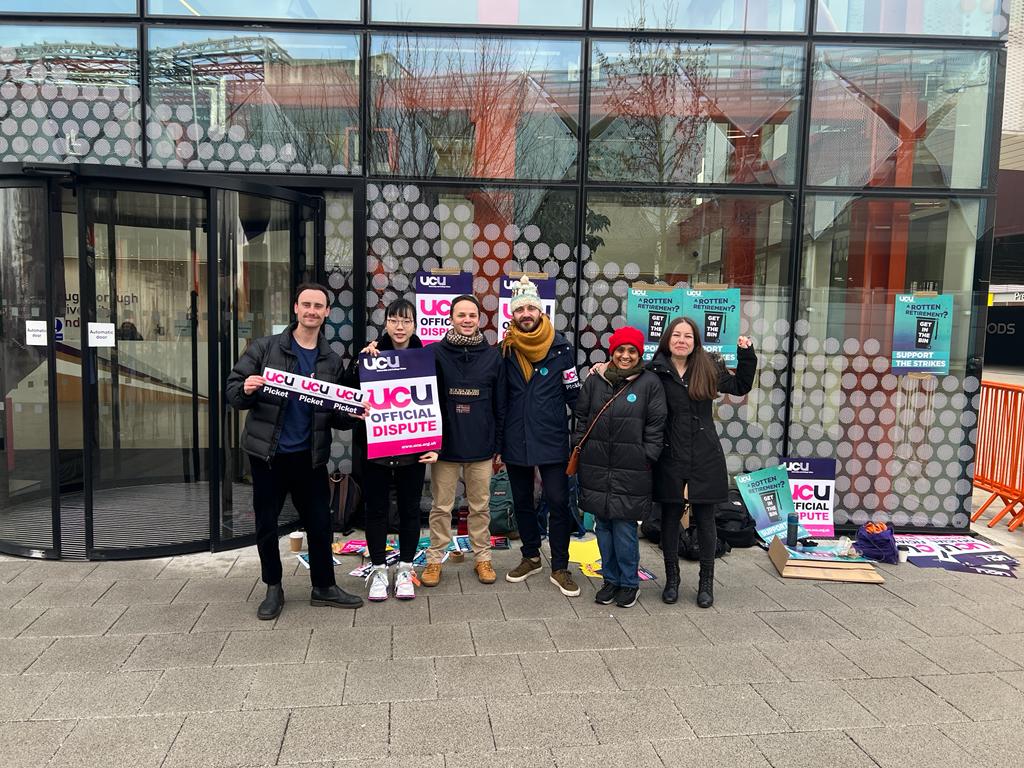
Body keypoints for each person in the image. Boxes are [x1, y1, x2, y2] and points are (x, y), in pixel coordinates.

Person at [226, 283, 365, 619]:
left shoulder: (330, 360)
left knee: (320, 522)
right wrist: (245, 388)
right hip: (268, 456)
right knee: (267, 525)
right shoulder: (265, 348)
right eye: (307, 305)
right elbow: (233, 391)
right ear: (295, 308)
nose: (312, 311)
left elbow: (334, 414)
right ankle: (273, 587)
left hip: (309, 456)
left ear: (327, 313)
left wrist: (351, 415)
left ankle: (324, 586)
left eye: (319, 306)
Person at [649, 316, 757, 608]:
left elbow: (740, 385)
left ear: (695, 341)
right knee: (670, 518)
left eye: (687, 336)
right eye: (676, 335)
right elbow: (627, 380)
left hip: (704, 452)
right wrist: (601, 369)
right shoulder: (655, 370)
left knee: (706, 518)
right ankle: (672, 580)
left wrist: (747, 354)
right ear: (667, 340)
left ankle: (706, 583)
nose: (681, 340)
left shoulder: (707, 368)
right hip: (669, 454)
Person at [350, 299, 438, 602]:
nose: (400, 327)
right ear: (386, 322)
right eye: (394, 320)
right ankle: (377, 569)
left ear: (414, 324)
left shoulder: (425, 358)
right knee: (375, 511)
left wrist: (435, 445)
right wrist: (358, 363)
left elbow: (438, 405)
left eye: (406, 321)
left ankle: (404, 568)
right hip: (376, 448)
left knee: (410, 511)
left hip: (413, 450)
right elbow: (350, 397)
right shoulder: (371, 355)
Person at [500, 275, 583, 596]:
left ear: (541, 312)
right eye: (520, 310)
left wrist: (585, 432)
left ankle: (560, 566)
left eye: (531, 309)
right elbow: (499, 399)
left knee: (559, 501)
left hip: (552, 439)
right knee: (521, 500)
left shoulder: (561, 348)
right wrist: (496, 443)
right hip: (515, 439)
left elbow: (574, 393)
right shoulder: (505, 349)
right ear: (513, 315)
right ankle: (531, 556)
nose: (526, 314)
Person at [573, 326, 666, 608]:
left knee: (624, 528)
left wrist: (646, 456)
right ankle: (610, 580)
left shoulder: (649, 383)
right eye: (620, 350)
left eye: (631, 351)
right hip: (597, 464)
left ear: (639, 354)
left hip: (632, 469)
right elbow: (581, 417)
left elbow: (656, 424)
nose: (625, 356)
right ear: (611, 352)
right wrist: (580, 447)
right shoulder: (596, 379)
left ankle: (629, 583)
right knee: (602, 526)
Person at [421, 294, 505, 587]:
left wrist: (498, 445)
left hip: (481, 448)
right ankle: (434, 560)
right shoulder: (433, 353)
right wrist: (375, 351)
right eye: (461, 315)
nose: (467, 320)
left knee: (480, 507)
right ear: (451, 318)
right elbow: (402, 366)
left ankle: (482, 558)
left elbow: (500, 404)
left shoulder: (493, 356)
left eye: (472, 315)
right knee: (441, 507)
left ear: (479, 319)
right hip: (445, 448)